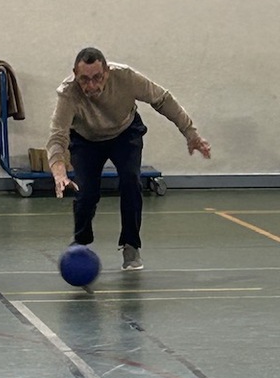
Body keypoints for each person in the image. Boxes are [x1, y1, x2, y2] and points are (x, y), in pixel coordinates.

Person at [46, 47, 211, 270]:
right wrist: (59, 172)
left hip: (125, 133)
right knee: (86, 193)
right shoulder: (67, 93)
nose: (91, 86)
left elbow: (162, 99)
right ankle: (81, 243)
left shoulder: (125, 77)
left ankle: (131, 245)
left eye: (97, 78)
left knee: (131, 181)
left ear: (107, 72)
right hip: (86, 139)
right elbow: (57, 136)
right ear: (75, 74)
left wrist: (190, 133)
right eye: (84, 79)